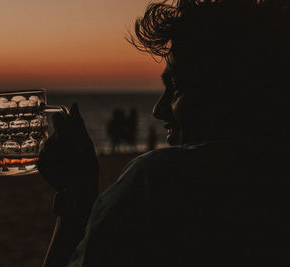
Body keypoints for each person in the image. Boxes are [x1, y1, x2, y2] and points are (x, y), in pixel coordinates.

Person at [38, 0, 290, 266]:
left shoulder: (156, 183)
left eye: (177, 85)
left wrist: (76, 200)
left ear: (234, 92)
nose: (158, 110)